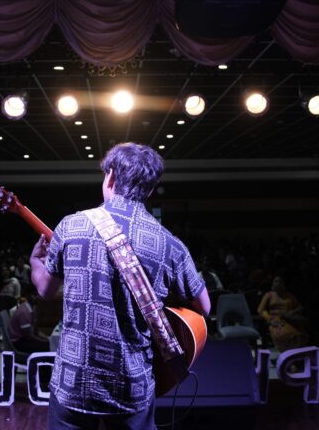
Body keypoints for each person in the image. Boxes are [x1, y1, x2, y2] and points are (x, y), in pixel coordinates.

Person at [29, 142, 210, 430]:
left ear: (110, 177)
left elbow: (45, 290)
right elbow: (205, 306)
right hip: (132, 384)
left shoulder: (71, 226)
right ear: (149, 190)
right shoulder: (170, 245)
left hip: (74, 380)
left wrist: (35, 262)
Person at [257, 276, 308, 352]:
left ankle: (296, 354)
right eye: (276, 281)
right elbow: (260, 310)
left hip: (289, 319)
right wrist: (269, 319)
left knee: (298, 333)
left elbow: (300, 307)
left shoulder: (289, 295)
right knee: (283, 334)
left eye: (280, 281)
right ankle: (285, 354)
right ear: (273, 283)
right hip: (275, 319)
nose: (278, 283)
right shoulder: (269, 295)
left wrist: (292, 312)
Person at [9, 283, 50, 353]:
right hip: (18, 343)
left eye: (38, 295)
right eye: (34, 295)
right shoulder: (24, 312)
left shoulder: (32, 308)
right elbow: (29, 336)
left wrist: (48, 338)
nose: (37, 297)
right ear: (27, 296)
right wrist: (44, 341)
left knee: (49, 344)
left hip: (25, 339)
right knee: (47, 346)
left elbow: (36, 331)